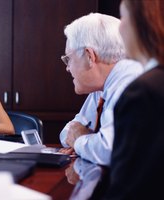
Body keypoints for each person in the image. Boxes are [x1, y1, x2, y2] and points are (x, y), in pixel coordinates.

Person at [58, 13, 143, 166]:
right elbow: (69, 130)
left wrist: (80, 141)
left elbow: (109, 151)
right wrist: (85, 141)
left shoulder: (131, 84)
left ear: (89, 56)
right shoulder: (102, 86)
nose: (67, 68)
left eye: (68, 59)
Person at [102, 0, 164, 199]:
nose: (119, 27)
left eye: (122, 16)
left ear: (142, 21)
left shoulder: (143, 92)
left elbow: (128, 190)